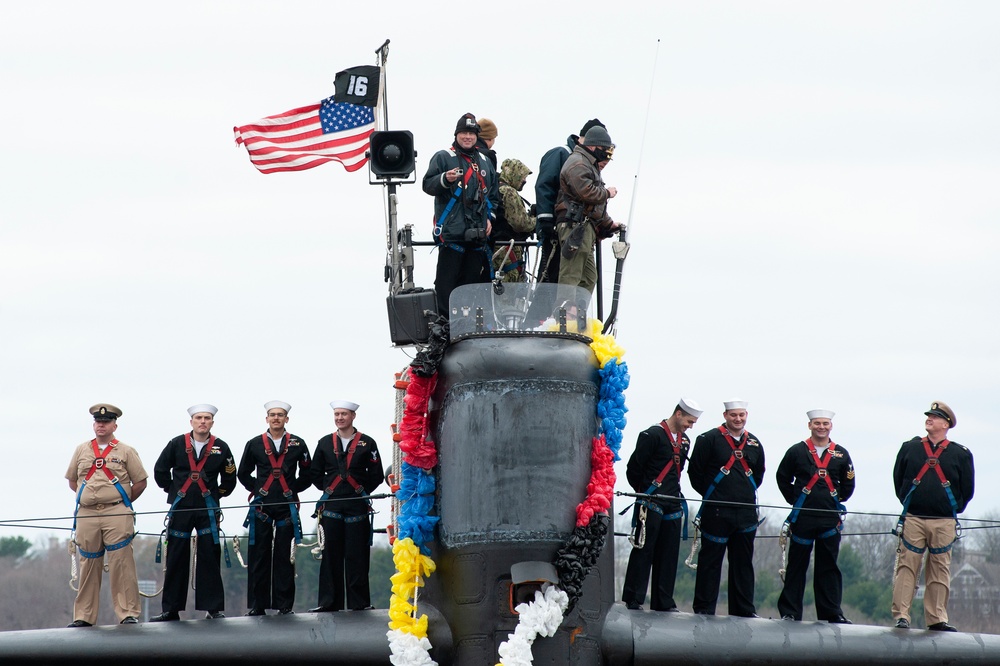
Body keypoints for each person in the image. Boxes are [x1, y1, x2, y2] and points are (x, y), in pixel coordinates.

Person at [891, 401, 974, 632]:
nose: (929, 418)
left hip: (944, 520)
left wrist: (950, 508)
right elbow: (899, 480)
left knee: (939, 568)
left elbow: (967, 489)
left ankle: (936, 618)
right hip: (914, 517)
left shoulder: (960, 454)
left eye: (935, 417)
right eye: (929, 415)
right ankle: (902, 615)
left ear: (946, 424)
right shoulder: (910, 448)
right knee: (907, 566)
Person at [150, 404, 238, 621]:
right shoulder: (176, 444)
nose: (203, 421)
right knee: (177, 557)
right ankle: (171, 609)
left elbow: (229, 478)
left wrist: (217, 495)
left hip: (207, 508)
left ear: (212, 422)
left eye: (207, 418)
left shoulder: (221, 447)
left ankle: (213, 608)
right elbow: (160, 470)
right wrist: (173, 490)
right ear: (191, 422)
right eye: (199, 418)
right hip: (181, 508)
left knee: (209, 556)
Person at [65, 404, 148, 627]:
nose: (101, 425)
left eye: (106, 422)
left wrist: (120, 501)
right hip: (87, 513)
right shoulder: (82, 450)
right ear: (94, 425)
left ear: (114, 425)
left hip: (116, 511)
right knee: (88, 563)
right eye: (98, 422)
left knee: (122, 563)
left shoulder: (126, 451)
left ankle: (127, 613)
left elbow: (140, 482)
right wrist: (90, 498)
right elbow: (73, 480)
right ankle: (84, 615)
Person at [622, 398, 703, 611]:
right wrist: (645, 493)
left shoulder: (685, 441)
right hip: (651, 501)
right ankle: (634, 598)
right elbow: (634, 469)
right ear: (678, 414)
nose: (690, 426)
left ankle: (663, 601)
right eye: (689, 421)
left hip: (672, 502)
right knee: (644, 550)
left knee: (668, 555)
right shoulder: (651, 435)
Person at [775, 409, 855, 623]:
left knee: (828, 567)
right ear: (809, 425)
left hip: (829, 519)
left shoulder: (841, 454)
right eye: (817, 423)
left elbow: (848, 485)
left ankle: (831, 612)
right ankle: (790, 612)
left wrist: (833, 500)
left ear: (831, 426)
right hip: (803, 518)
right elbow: (782, 477)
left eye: (825, 424)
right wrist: (795, 499)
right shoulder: (797, 451)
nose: (821, 427)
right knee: (797, 566)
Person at [687, 399, 765, 617]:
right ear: (725, 415)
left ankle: (743, 611)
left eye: (741, 415)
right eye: (733, 415)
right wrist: (716, 497)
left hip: (746, 513)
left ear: (746, 415)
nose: (738, 419)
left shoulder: (755, 443)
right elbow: (695, 473)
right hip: (717, 512)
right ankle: (704, 609)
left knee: (743, 564)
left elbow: (758, 475)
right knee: (710, 562)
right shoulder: (708, 439)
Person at [237, 400, 312, 616]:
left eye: (280, 415)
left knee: (285, 556)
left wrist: (292, 490)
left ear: (286, 419)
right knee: (258, 556)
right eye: (272, 415)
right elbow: (243, 473)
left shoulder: (298, 443)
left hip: (286, 507)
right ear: (267, 419)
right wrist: (260, 489)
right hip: (262, 506)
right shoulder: (254, 444)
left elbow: (308, 473)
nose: (276, 418)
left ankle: (284, 604)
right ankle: (257, 605)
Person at [422, 112, 500, 316]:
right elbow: (427, 185)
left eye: (472, 133)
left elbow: (493, 196)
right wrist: (444, 179)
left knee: (471, 288)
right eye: (464, 132)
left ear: (477, 136)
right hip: (452, 235)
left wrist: (490, 218)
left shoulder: (485, 161)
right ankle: (444, 329)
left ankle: (468, 328)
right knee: (446, 287)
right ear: (456, 134)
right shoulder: (443, 157)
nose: (468, 137)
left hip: (477, 238)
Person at [310, 400, 384, 612]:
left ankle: (359, 603)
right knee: (330, 556)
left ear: (353, 416)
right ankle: (328, 602)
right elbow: (315, 473)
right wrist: (329, 489)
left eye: (344, 414)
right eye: (337, 414)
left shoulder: (367, 443)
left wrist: (359, 492)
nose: (340, 418)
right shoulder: (324, 443)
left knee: (357, 556)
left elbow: (376, 474)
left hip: (356, 506)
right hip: (332, 506)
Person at [534, 119, 606, 285]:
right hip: (557, 227)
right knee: (551, 276)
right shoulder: (562, 154)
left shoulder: (588, 163)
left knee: (582, 277)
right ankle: (549, 310)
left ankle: (571, 310)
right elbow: (544, 186)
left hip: (576, 228)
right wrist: (545, 220)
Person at [555, 125, 620, 299]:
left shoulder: (589, 165)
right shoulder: (578, 162)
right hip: (574, 225)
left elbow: (594, 206)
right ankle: (565, 316)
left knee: (589, 278)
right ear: (593, 147)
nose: (606, 153)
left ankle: (578, 316)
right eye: (603, 149)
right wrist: (607, 193)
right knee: (571, 275)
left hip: (584, 227)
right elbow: (586, 192)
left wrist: (608, 224)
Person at [491, 158, 537, 283]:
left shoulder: (495, 188)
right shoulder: (509, 192)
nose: (525, 181)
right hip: (507, 249)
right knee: (511, 284)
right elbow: (520, 223)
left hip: (496, 246)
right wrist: (537, 222)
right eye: (522, 177)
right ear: (514, 175)